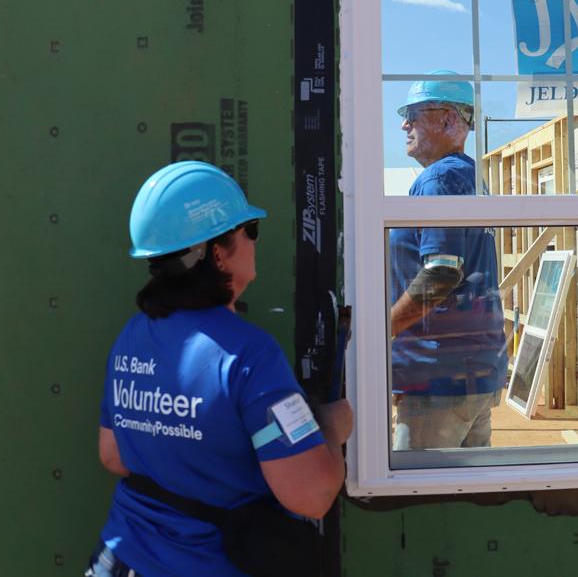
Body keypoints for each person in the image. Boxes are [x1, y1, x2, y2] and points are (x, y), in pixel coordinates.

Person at [86, 161, 352, 577]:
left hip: (118, 562)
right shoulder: (248, 355)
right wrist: (332, 429)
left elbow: (114, 455)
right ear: (218, 254)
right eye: (250, 231)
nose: (254, 242)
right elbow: (312, 495)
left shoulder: (133, 336)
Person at [389, 71, 508, 451]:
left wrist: (381, 330)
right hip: (475, 373)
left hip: (437, 380)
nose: (404, 123)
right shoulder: (472, 178)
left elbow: (441, 274)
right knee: (467, 497)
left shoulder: (437, 180)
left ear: (448, 120)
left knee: (419, 501)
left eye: (413, 113)